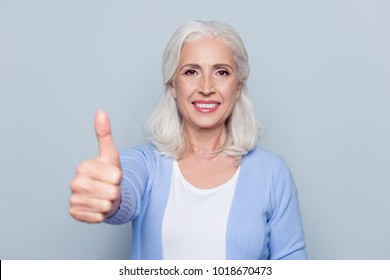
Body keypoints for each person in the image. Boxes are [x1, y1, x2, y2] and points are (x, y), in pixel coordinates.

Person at [69, 20, 307, 260]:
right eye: (191, 72)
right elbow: (123, 195)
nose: (206, 87)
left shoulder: (271, 173)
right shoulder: (145, 164)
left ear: (238, 87)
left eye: (221, 72)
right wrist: (107, 197)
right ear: (173, 85)